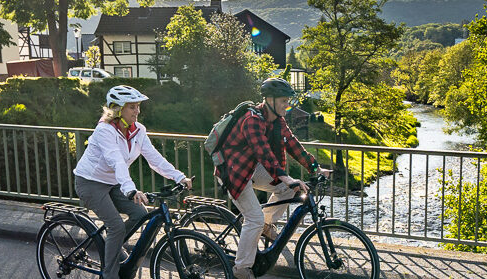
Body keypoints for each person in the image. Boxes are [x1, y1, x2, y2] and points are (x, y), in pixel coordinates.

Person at [72, 85, 192, 279]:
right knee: (116, 226)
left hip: (114, 183)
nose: (137, 111)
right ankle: (109, 274)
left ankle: (112, 244)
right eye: (132, 107)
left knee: (139, 213)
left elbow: (154, 158)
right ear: (118, 109)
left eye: (138, 106)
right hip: (90, 183)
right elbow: (116, 161)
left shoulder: (138, 130)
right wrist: (131, 190)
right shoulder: (105, 130)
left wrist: (179, 177)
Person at [218, 78, 332, 279]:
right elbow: (263, 152)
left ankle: (266, 224)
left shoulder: (278, 121)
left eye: (288, 101)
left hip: (252, 168)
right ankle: (241, 269)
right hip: (234, 171)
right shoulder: (251, 119)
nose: (287, 105)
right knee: (253, 218)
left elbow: (294, 145)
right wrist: (284, 176)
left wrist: (316, 168)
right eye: (283, 101)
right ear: (269, 100)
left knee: (290, 189)